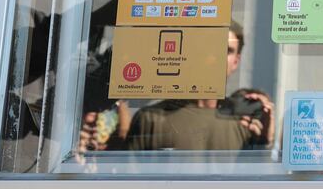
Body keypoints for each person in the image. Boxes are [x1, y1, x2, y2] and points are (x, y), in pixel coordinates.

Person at [78, 21, 274, 152]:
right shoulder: (151, 119)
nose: (216, 57)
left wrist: (265, 143)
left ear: (236, 61)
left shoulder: (246, 125)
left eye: (227, 50)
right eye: (210, 46)